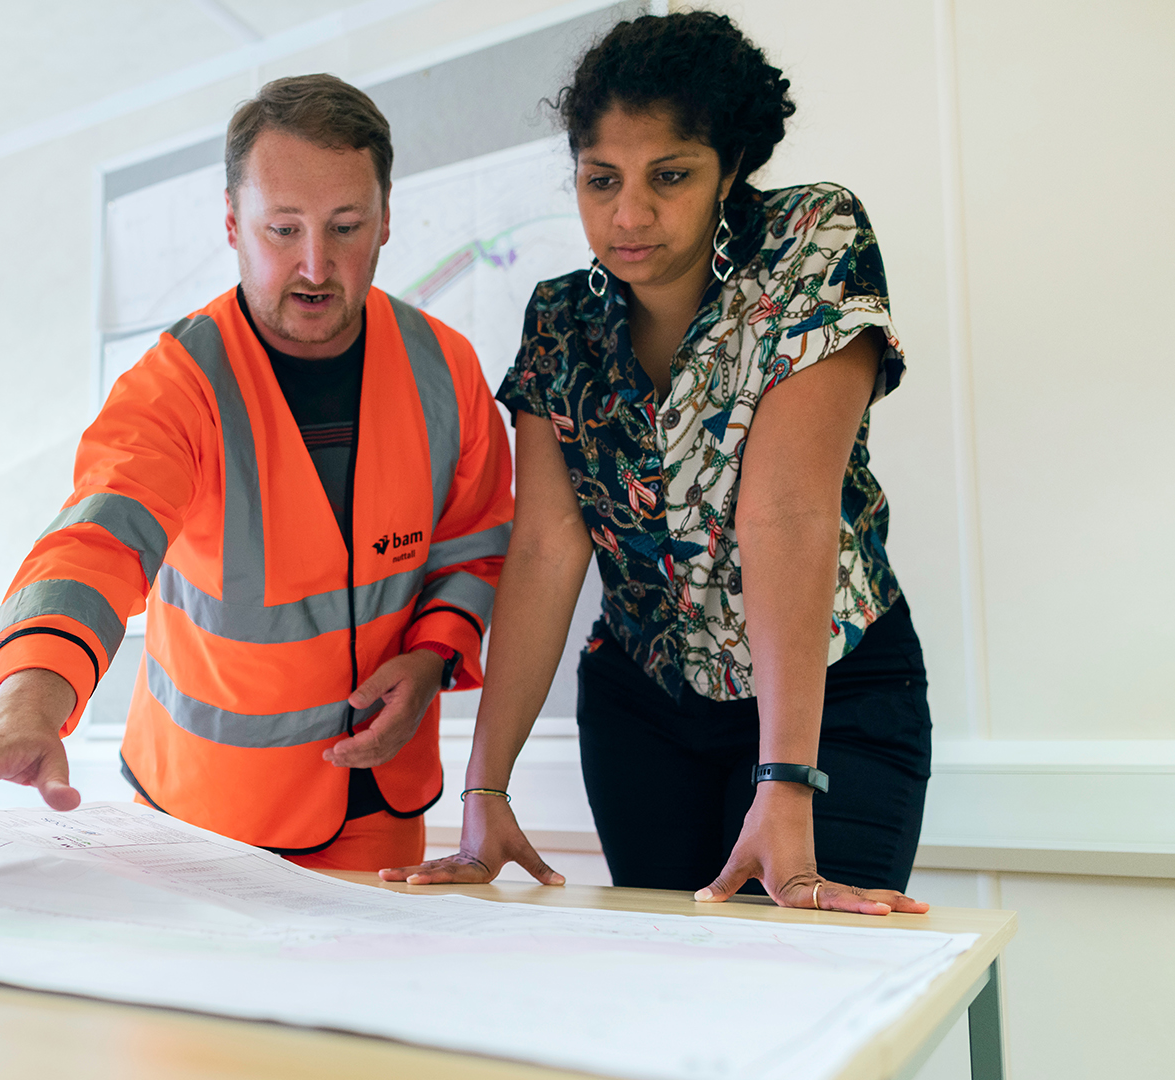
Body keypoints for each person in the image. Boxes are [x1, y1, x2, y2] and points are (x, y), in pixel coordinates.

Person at [0, 75, 514, 872]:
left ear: (386, 220)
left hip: (382, 802)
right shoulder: (175, 385)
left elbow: (473, 545)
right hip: (205, 818)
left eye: (346, 227)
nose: (315, 265)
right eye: (282, 229)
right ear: (232, 223)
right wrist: (27, 702)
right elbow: (97, 542)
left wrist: (433, 656)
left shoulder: (446, 369)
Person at [382, 12, 933, 916]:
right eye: (601, 179)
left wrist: (785, 781)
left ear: (730, 168)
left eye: (669, 176)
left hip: (830, 698)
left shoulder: (810, 241)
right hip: (642, 710)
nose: (629, 215)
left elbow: (784, 513)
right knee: (672, 981)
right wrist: (485, 790)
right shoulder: (561, 320)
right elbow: (546, 548)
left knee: (806, 974)